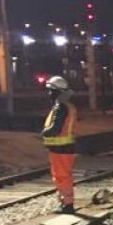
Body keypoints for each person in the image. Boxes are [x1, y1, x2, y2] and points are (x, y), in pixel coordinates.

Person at [42, 76, 78, 214]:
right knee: (64, 175)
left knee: (62, 176)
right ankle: (65, 203)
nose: (49, 94)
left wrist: (44, 133)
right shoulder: (68, 106)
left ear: (57, 92)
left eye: (50, 91)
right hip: (66, 147)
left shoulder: (60, 107)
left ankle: (68, 205)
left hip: (60, 148)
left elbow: (55, 129)